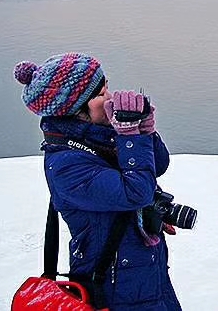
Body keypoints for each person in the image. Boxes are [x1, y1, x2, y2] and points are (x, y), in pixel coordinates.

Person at [14, 52, 182, 311]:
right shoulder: (67, 165)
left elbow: (157, 166)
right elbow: (136, 192)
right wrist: (130, 137)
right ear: (76, 110)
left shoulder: (101, 137)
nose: (110, 98)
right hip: (114, 288)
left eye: (108, 87)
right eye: (101, 94)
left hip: (146, 275)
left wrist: (144, 131)